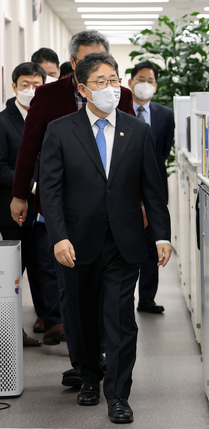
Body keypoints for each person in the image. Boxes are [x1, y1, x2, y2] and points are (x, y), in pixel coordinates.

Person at [39, 52, 171, 424]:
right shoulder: (60, 130)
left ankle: (118, 394)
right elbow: (50, 190)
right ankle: (89, 376)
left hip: (123, 240)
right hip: (76, 243)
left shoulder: (137, 130)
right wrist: (58, 237)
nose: (110, 88)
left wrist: (161, 234)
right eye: (100, 81)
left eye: (114, 80)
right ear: (82, 89)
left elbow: (152, 188)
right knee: (81, 318)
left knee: (120, 319)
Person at [11, 30, 136, 389]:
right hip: (65, 209)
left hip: (111, 211)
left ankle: (103, 362)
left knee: (109, 294)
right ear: (72, 63)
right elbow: (28, 146)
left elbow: (132, 153)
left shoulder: (121, 95)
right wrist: (21, 194)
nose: (95, 68)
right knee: (74, 292)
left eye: (102, 60)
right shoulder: (49, 95)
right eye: (85, 61)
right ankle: (84, 363)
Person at [0, 62, 50, 348]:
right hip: (12, 210)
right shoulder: (3, 121)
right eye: (25, 85)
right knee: (12, 275)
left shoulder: (49, 118)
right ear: (14, 86)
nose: (31, 91)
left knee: (46, 266)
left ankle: (53, 321)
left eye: (37, 85)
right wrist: (30, 186)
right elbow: (1, 166)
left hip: (43, 210)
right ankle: (9, 334)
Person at [128, 61, 175, 314]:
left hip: (154, 188)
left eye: (150, 80)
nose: (145, 84)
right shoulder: (120, 109)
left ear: (156, 86)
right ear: (130, 81)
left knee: (151, 245)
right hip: (125, 189)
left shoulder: (165, 115)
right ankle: (123, 296)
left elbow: (162, 153)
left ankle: (147, 297)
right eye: (141, 79)